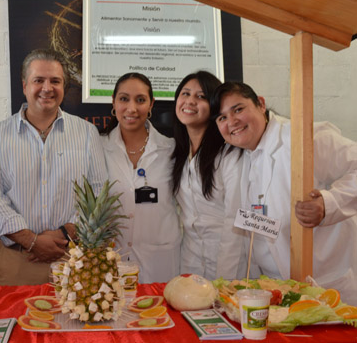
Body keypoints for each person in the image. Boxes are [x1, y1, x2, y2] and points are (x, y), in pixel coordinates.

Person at [212, 82, 357, 304]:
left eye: (238, 109)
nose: (232, 121)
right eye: (222, 118)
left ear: (260, 104)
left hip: (326, 284)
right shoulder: (242, 156)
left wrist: (328, 204)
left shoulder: (306, 137)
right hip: (276, 287)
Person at [0, 48, 107, 286]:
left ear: (64, 87)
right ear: (25, 85)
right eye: (39, 80)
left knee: (76, 324)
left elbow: (98, 193)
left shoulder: (86, 133)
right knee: (15, 322)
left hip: (74, 259)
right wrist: (32, 241)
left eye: (55, 81)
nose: (47, 88)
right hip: (17, 262)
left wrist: (65, 234)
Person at [101, 72, 181, 283]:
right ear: (113, 102)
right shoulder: (98, 148)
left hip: (160, 263)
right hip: (111, 263)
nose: (132, 108)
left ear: (151, 104)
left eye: (141, 100)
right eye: (124, 99)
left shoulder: (171, 149)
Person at [172, 72, 247, 281]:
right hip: (190, 262)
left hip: (230, 265)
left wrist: (224, 280)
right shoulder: (179, 154)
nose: (190, 101)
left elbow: (235, 219)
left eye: (201, 96)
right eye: (185, 94)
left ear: (214, 105)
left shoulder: (230, 154)